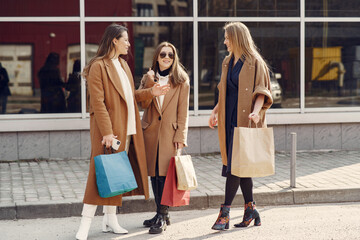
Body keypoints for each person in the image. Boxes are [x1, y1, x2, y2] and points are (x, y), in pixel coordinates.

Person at [75, 23, 150, 240]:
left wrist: (151, 92)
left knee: (114, 175)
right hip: (109, 132)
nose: (129, 43)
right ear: (114, 40)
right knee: (97, 177)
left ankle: (111, 220)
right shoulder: (99, 65)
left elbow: (130, 97)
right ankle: (85, 224)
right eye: (125, 39)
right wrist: (107, 132)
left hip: (127, 130)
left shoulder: (124, 65)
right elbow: (97, 102)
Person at [208, 22, 273, 230]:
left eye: (227, 37)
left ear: (237, 38)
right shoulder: (227, 61)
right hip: (229, 118)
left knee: (234, 167)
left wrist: (256, 111)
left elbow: (261, 91)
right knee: (241, 167)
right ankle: (250, 210)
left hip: (246, 119)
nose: (225, 41)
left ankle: (224, 214)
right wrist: (216, 111)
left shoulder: (256, 62)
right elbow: (225, 90)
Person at [135, 42, 190, 234]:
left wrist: (181, 137)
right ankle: (161, 214)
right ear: (157, 57)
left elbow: (183, 112)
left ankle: (162, 214)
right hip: (150, 132)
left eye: (171, 55)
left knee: (165, 176)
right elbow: (141, 102)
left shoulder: (182, 80)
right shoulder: (149, 77)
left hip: (170, 134)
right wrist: (150, 83)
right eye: (163, 54)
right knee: (154, 174)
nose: (167, 57)